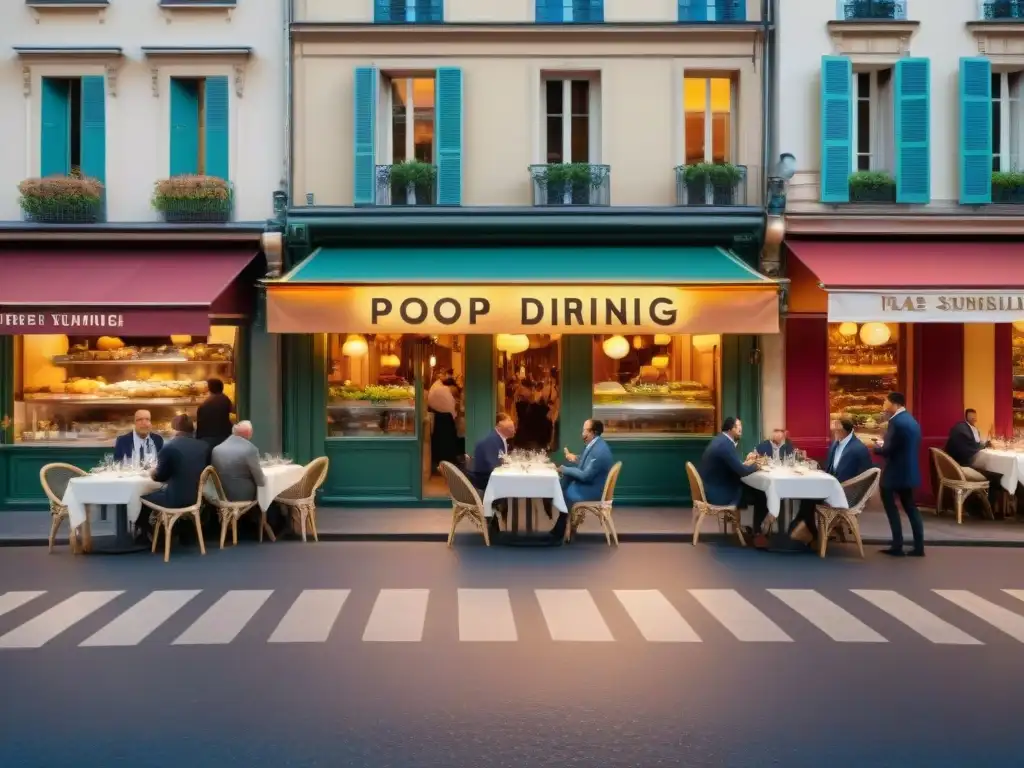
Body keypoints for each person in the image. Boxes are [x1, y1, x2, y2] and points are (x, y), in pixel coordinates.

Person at [790, 419, 873, 547]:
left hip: (846, 492)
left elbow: (866, 476)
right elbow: (830, 469)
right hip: (831, 487)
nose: (834, 430)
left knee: (809, 497)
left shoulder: (859, 448)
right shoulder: (835, 444)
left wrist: (857, 495)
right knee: (807, 494)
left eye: (837, 428)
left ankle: (805, 529)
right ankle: (807, 530)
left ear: (845, 431)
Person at [697, 416, 771, 548]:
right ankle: (758, 532)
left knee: (756, 491)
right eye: (739, 427)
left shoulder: (720, 440)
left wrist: (747, 463)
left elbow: (734, 466)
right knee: (762, 494)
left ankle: (751, 530)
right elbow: (741, 471)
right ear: (731, 429)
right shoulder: (726, 445)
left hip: (713, 487)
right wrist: (757, 466)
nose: (741, 430)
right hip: (720, 493)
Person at [137, 414, 211, 542]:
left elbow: (159, 477)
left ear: (174, 429)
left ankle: (147, 533)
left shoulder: (169, 447)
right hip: (196, 499)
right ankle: (182, 529)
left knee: (141, 496)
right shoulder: (204, 446)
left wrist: (151, 472)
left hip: (174, 499)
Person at [873, 392, 925, 557]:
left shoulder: (896, 422)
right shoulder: (912, 421)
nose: (884, 403)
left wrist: (877, 448)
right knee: (911, 508)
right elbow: (903, 445)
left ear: (894, 404)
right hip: (909, 472)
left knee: (891, 508)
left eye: (886, 401)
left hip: (894, 473)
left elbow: (889, 449)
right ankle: (919, 546)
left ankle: (897, 545)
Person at [549, 419, 613, 540]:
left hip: (594, 489)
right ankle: (561, 525)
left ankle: (560, 527)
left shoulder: (599, 451)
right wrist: (574, 458)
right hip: (593, 483)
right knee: (566, 481)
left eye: (584, 430)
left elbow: (585, 476)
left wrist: (564, 469)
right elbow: (587, 462)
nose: (582, 433)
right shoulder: (596, 444)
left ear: (592, 432)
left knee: (567, 489)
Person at [211, 420, 266, 502]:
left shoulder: (216, 449)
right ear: (249, 433)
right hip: (242, 496)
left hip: (218, 496)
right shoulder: (250, 449)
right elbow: (261, 481)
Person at [470, 412, 516, 492]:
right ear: (499, 424)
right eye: (508, 420)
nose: (511, 424)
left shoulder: (500, 438)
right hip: (485, 481)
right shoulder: (492, 440)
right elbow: (493, 467)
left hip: (490, 477)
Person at [427, 370, 459, 473]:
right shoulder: (446, 392)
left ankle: (440, 464)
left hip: (437, 421)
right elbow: (453, 413)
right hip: (447, 422)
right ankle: (451, 462)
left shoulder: (437, 389)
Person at [196, 378, 234, 452]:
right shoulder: (225, 399)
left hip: (208, 437)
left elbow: (200, 422)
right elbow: (232, 410)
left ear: (210, 388)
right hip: (223, 435)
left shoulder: (206, 403)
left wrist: (198, 438)